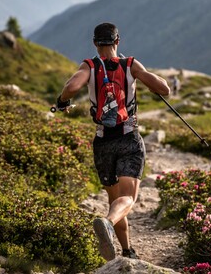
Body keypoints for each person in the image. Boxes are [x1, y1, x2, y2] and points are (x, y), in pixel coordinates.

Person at [55, 22, 170, 261]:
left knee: (114, 198)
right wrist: (141, 75)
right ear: (118, 41)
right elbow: (164, 89)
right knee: (127, 199)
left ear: (95, 43)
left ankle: (127, 250)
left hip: (103, 142)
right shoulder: (130, 65)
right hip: (128, 138)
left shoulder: (89, 65)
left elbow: (72, 86)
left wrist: (63, 101)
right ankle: (107, 223)